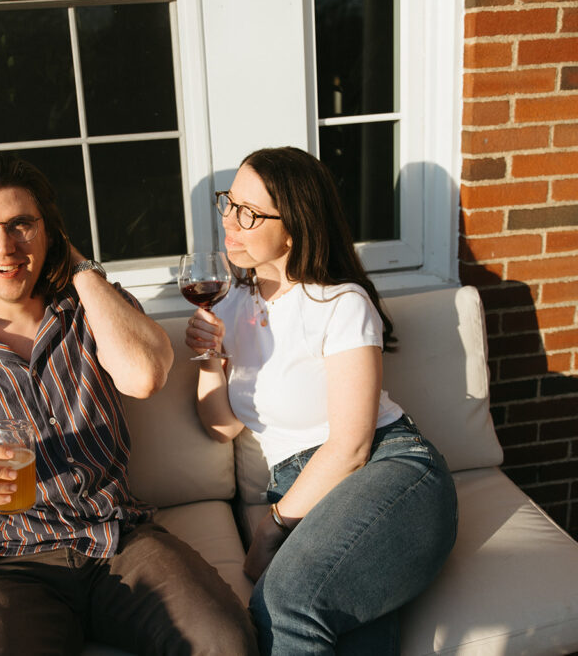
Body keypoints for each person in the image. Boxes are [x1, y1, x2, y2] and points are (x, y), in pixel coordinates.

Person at [0, 154, 257, 656]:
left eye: (22, 224)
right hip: (5, 564)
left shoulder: (94, 305)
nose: (5, 246)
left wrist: (78, 267)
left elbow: (144, 376)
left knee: (227, 644)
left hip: (120, 540)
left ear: (48, 231)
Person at [185, 147, 458, 655]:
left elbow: (352, 447)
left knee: (282, 601)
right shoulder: (231, 303)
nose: (229, 220)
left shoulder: (340, 304)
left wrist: (272, 525)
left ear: (293, 227)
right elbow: (222, 427)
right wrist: (207, 361)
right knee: (349, 635)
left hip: (387, 469)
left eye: (248, 211)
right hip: (305, 493)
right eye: (229, 202)